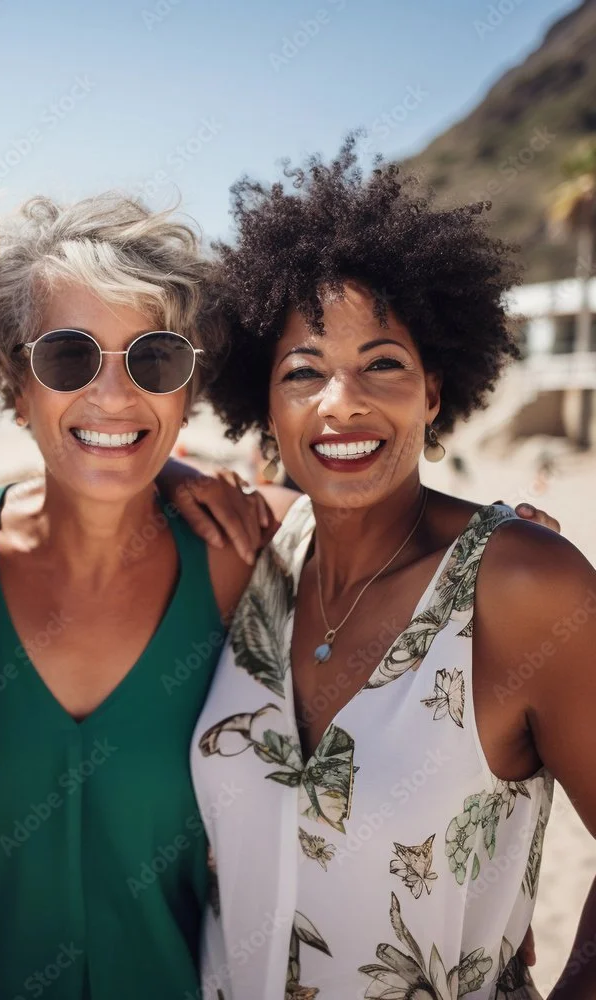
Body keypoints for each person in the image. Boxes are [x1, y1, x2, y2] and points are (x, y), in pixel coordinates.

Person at [192, 140, 596, 998]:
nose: (344, 402)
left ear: (435, 390)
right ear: (261, 401)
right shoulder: (251, 553)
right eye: (303, 371)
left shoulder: (520, 586)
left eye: (384, 363)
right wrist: (168, 469)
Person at [0, 195, 274, 1000]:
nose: (113, 395)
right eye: (71, 358)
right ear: (17, 379)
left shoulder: (240, 553)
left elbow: (407, 556)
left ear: (188, 387)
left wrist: (504, 536)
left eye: (154, 360)